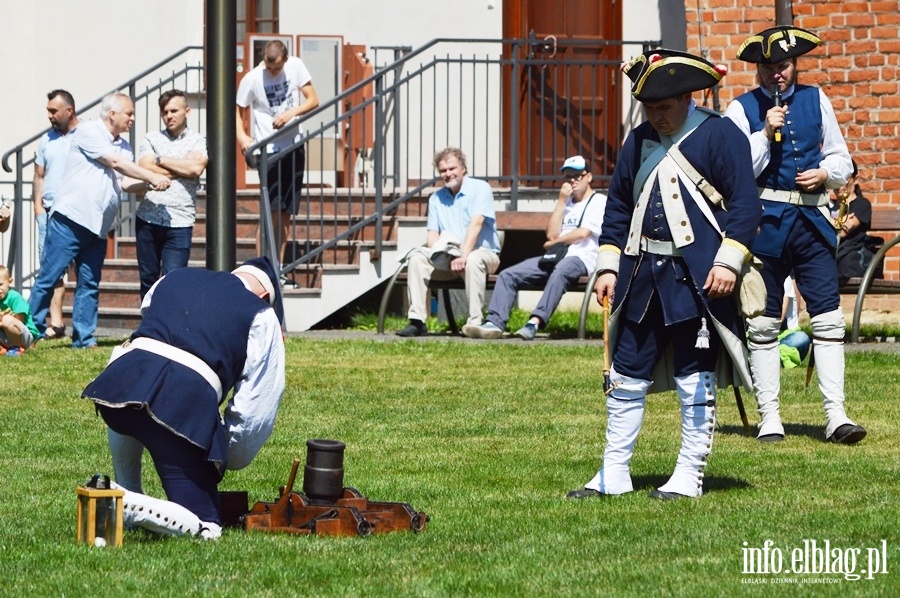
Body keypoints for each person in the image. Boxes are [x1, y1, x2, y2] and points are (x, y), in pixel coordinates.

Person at [567, 49, 761, 501]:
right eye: (649, 108)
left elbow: (746, 206)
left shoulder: (719, 135)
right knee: (626, 373)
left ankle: (689, 475)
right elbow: (617, 208)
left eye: (665, 108)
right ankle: (613, 473)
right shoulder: (638, 140)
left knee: (694, 375)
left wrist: (727, 261)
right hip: (640, 277)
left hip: (697, 278)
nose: (657, 116)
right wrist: (608, 267)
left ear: (686, 97)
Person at [724, 26, 866, 444]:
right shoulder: (740, 108)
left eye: (783, 66)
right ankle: (770, 417)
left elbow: (842, 156)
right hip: (764, 226)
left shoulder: (815, 99)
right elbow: (735, 171)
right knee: (765, 323)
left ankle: (836, 415)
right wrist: (764, 134)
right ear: (758, 69)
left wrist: (826, 172)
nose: (777, 75)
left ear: (794, 65)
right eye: (768, 67)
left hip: (811, 224)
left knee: (826, 317)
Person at [81, 256, 286, 540]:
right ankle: (124, 503)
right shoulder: (262, 314)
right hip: (178, 409)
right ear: (265, 296)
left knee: (131, 410)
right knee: (208, 527)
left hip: (119, 388)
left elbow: (150, 314)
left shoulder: (175, 276)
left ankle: (127, 492)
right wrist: (226, 455)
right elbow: (256, 407)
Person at [28, 92, 170, 349]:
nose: (133, 119)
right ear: (112, 114)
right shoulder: (88, 131)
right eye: (129, 113)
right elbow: (114, 162)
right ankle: (28, 332)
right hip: (70, 220)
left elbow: (124, 181)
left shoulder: (124, 146)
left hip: (99, 226)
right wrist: (150, 175)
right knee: (49, 276)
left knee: (89, 283)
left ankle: (84, 338)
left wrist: (151, 185)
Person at [462, 155, 606, 340]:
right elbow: (551, 234)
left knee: (561, 271)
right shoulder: (567, 203)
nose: (573, 179)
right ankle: (494, 323)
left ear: (589, 177)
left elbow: (583, 233)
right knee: (508, 275)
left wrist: (554, 243)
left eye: (578, 175)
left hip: (582, 258)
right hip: (555, 257)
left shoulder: (598, 201)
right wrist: (561, 202)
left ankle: (534, 322)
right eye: (568, 175)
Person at [395, 147, 502, 337]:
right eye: (443, 171)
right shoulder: (436, 198)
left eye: (452, 168)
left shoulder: (480, 188)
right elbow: (432, 236)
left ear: (463, 168)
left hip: (483, 254)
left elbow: (476, 224)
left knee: (474, 258)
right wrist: (441, 255)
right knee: (417, 257)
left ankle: (475, 322)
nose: (448, 174)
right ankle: (417, 321)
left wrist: (463, 254)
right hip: (449, 257)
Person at [236, 39, 319, 271]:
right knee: (269, 210)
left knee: (285, 212)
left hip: (293, 145)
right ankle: (261, 268)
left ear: (285, 59)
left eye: (277, 68)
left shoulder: (295, 66)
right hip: (268, 149)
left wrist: (290, 113)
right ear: (263, 60)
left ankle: (279, 267)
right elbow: (238, 108)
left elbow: (313, 99)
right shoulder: (252, 78)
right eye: (269, 67)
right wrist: (242, 137)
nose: (273, 72)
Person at [136, 89, 208, 298]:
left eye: (174, 111)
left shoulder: (197, 141)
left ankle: (169, 328)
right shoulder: (152, 138)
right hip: (148, 219)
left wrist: (162, 160)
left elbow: (196, 170)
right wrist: (183, 165)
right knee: (148, 279)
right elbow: (144, 167)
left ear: (187, 111)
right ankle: (148, 327)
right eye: (165, 112)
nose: (169, 116)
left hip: (180, 221)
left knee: (174, 280)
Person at [32, 89, 80, 339]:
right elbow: (39, 175)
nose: (49, 115)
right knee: (49, 269)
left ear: (68, 111)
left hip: (75, 213)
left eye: (53, 111)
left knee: (72, 270)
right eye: (48, 110)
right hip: (48, 212)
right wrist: (38, 208)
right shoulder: (46, 140)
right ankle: (54, 323)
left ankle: (68, 325)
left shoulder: (84, 136)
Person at [830, 159, 883, 283]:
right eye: (835, 180)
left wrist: (828, 223)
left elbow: (842, 233)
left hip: (848, 257)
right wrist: (840, 222)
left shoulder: (861, 204)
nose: (840, 185)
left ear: (856, 179)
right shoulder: (828, 205)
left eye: (845, 179)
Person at [0, 265, 40, 356]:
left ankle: (17, 348)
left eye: (0, 284)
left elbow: (19, 320)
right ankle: (4, 348)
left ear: (9, 282)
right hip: (6, 335)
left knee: (7, 319)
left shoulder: (15, 297)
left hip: (24, 336)